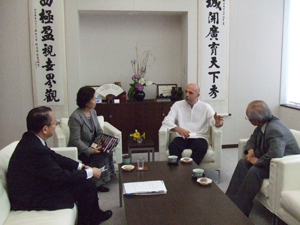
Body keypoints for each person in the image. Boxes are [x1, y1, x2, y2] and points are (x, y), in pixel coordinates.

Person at [6, 106, 112, 225]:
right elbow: (62, 176)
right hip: (31, 198)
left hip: (37, 186)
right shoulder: (35, 149)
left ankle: (93, 216)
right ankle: (89, 220)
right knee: (85, 185)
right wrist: (90, 172)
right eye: (54, 122)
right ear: (45, 129)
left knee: (85, 183)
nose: (56, 125)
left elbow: (55, 157)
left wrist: (80, 166)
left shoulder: (31, 139)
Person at [226, 100, 300, 216]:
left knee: (255, 171)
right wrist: (250, 151)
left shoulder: (274, 128)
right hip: (271, 161)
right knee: (243, 163)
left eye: (248, 118)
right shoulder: (264, 123)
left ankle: (240, 212)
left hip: (284, 166)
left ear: (255, 120)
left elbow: (276, 153)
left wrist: (257, 161)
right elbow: (253, 138)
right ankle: (229, 201)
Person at [162, 83, 224, 165]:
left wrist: (217, 122)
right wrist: (178, 129)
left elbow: (213, 122)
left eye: (190, 93)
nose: (187, 95)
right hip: (182, 137)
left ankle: (189, 171)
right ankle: (176, 171)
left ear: (198, 95)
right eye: (186, 92)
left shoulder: (206, 107)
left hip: (199, 137)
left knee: (201, 147)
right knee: (173, 146)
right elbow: (166, 121)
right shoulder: (177, 105)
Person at [68, 86, 115, 192]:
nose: (96, 101)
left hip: (93, 144)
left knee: (108, 149)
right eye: (93, 98)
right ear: (86, 101)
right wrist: (90, 150)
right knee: (99, 156)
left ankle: (107, 177)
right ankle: (96, 183)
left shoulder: (93, 112)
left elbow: (99, 131)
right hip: (82, 150)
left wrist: (99, 143)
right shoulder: (75, 117)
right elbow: (75, 140)